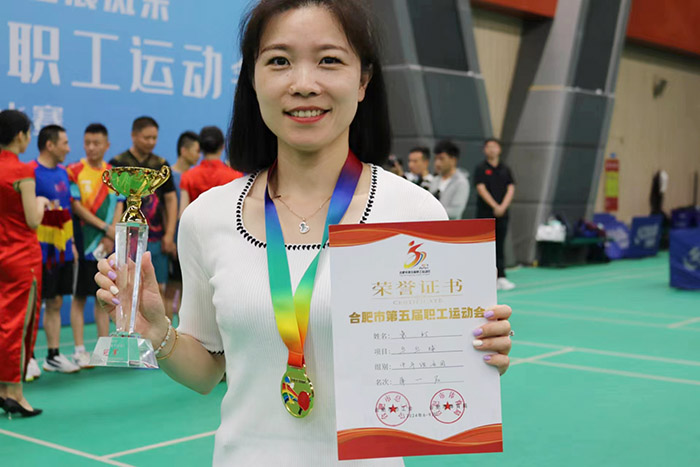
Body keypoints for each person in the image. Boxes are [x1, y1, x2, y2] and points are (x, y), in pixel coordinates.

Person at [95, 1, 513, 465]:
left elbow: (435, 372)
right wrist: (157, 332)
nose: (303, 83)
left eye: (329, 60)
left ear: (363, 80)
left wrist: (472, 353)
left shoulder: (414, 213)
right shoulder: (208, 217)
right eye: (279, 61)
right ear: (252, 80)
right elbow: (207, 371)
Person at [0, 110, 48, 417]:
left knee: (3, 322)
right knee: (17, 325)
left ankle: (3, 390)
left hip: (2, 255)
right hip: (22, 257)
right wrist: (41, 203)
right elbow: (33, 219)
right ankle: (15, 393)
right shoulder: (22, 170)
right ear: (21, 135)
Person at [67, 123, 123, 367]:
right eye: (87, 143)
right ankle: (79, 350)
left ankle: (103, 350)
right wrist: (104, 227)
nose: (91, 147)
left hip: (107, 245)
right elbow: (76, 206)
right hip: (84, 242)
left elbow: (119, 205)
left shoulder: (114, 174)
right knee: (80, 298)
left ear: (106, 145)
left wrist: (112, 234)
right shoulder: (74, 171)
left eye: (96, 143)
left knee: (104, 297)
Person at [29, 125, 81, 374]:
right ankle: (27, 357)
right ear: (50, 145)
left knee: (57, 301)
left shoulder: (63, 173)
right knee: (32, 304)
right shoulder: (30, 173)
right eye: (64, 143)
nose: (68, 149)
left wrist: (72, 244)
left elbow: (67, 211)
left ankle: (53, 355)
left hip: (63, 250)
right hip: (39, 251)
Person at [109, 117, 178, 295]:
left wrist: (169, 234)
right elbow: (111, 202)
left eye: (154, 138)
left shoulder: (161, 165)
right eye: (147, 138)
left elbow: (170, 200)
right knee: (125, 285)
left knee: (157, 288)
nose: (151, 142)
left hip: (156, 236)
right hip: (126, 234)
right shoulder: (118, 163)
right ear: (134, 135)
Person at [166, 131, 200, 321]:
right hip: (173, 241)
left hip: (192, 242)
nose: (198, 155)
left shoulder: (195, 176)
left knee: (188, 292)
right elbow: (166, 210)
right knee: (170, 289)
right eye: (196, 151)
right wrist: (170, 238)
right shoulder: (169, 176)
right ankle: (166, 332)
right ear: (183, 150)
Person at [475, 138, 516, 290]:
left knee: (500, 245)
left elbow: (511, 188)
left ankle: (501, 276)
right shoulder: (481, 169)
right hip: (485, 214)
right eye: (488, 147)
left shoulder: (505, 169)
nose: (492, 150)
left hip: (502, 215)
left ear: (499, 149)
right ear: (484, 150)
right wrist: (494, 206)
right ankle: (485, 278)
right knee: (485, 247)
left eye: (494, 147)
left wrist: (502, 206)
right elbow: (481, 188)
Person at [178, 126, 243, 217]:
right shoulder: (236, 177)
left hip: (197, 225)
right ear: (222, 147)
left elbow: (183, 214)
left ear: (200, 148)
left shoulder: (187, 177)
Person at [430, 140, 469, 220]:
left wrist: (430, 212)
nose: (437, 163)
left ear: (453, 160)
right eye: (436, 159)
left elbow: (455, 212)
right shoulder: (434, 180)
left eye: (441, 159)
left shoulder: (461, 182)